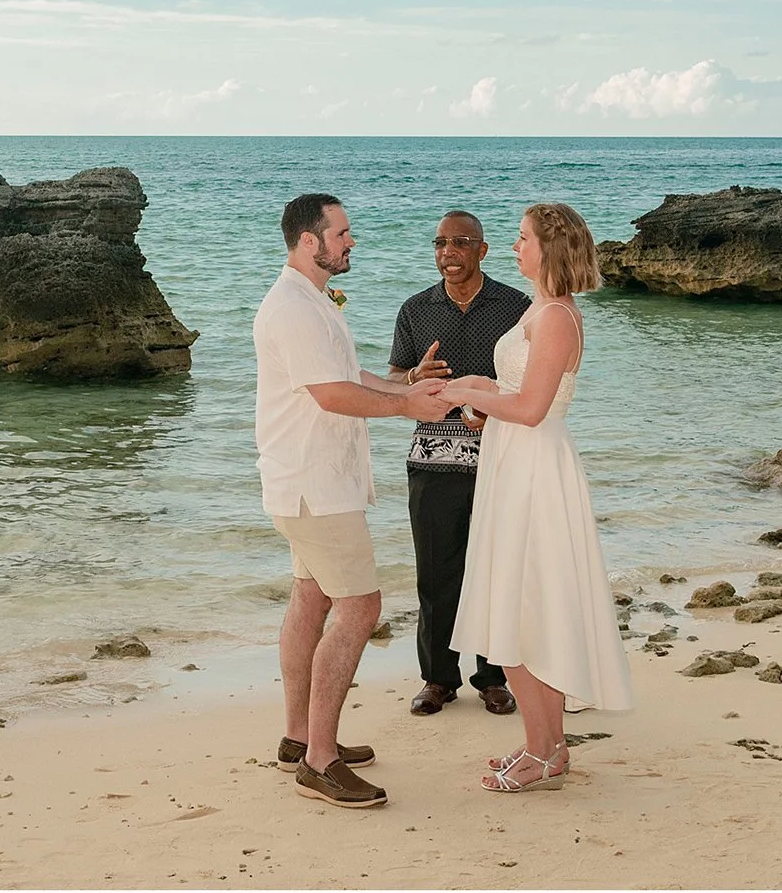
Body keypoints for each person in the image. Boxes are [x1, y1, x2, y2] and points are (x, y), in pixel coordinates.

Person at [254, 192, 454, 810]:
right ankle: (320, 760)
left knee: (311, 597)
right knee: (361, 606)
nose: (351, 242)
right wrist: (408, 407)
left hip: (312, 481)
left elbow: (348, 374)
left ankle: (298, 738)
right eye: (341, 233)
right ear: (308, 241)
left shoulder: (315, 301)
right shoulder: (292, 308)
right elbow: (331, 395)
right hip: (314, 485)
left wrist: (404, 382)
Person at [440, 202, 635, 793]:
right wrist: (474, 389)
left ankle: (542, 750)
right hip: (516, 461)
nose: (515, 245)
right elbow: (518, 392)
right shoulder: (543, 310)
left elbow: (528, 409)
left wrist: (463, 395)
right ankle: (547, 749)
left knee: (522, 611)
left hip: (533, 469)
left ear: (549, 248)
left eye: (522, 238)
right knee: (521, 608)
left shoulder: (554, 319)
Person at [388, 211, 528, 719]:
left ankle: (493, 678)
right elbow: (396, 376)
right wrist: (411, 378)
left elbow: (531, 382)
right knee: (436, 574)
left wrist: (497, 414)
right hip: (430, 461)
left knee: (495, 571)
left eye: (461, 242)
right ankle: (438, 679)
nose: (448, 251)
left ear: (482, 251)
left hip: (500, 458)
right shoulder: (415, 309)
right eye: (440, 243)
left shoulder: (516, 306)